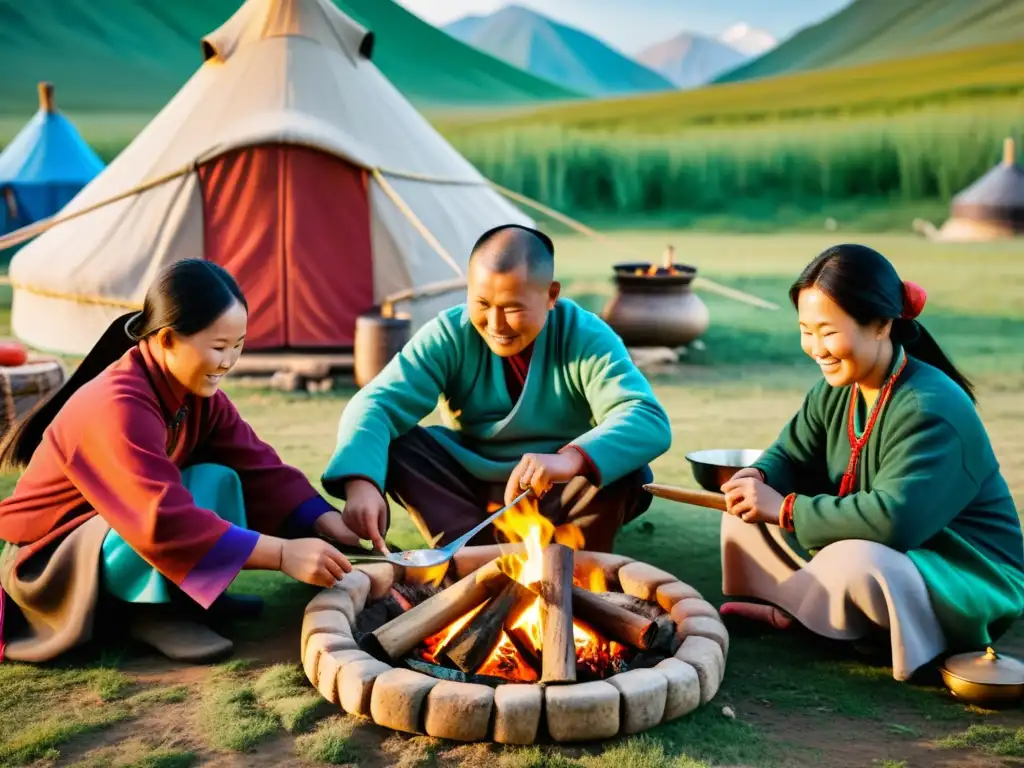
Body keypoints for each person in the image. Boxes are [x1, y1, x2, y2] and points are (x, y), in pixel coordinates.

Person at [0, 259, 360, 664]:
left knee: (218, 477)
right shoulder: (116, 405)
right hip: (51, 561)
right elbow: (157, 517)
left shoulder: (194, 395)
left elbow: (258, 466)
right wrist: (281, 554)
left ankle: (186, 597)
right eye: (219, 347)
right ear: (167, 339)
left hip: (110, 533)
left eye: (238, 345)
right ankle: (150, 612)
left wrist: (324, 519)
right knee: (156, 507)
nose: (229, 361)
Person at [718, 243, 1024, 681]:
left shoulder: (931, 408)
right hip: (875, 550)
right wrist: (757, 477)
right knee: (737, 512)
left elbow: (895, 521)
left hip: (961, 573)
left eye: (827, 331)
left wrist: (783, 508)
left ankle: (805, 612)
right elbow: (790, 453)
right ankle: (809, 610)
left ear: (881, 325)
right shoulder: (837, 387)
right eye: (806, 330)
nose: (815, 347)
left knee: (855, 563)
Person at [323, 224, 672, 554]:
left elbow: (645, 417)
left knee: (624, 466)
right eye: (482, 304)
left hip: (556, 490)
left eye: (513, 308)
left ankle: (574, 565)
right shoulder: (448, 333)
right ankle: (466, 556)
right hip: (466, 488)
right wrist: (361, 483)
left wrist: (569, 459)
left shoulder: (585, 335)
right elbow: (377, 403)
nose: (495, 325)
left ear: (551, 296)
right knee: (400, 446)